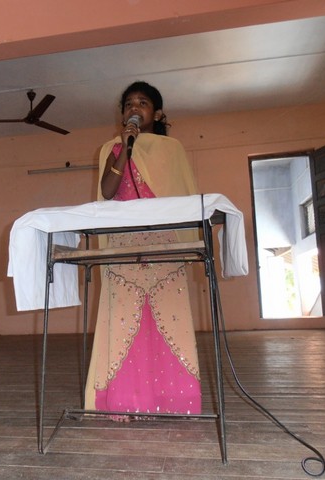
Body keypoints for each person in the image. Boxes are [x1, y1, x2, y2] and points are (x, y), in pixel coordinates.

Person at [84, 81, 202, 417]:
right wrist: (124, 148)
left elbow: (182, 197)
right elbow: (108, 192)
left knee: (170, 322)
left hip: (165, 249)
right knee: (122, 323)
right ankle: (123, 401)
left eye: (143, 103)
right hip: (123, 250)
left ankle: (175, 402)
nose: (134, 108)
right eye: (129, 104)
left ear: (158, 113)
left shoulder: (172, 149)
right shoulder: (112, 148)